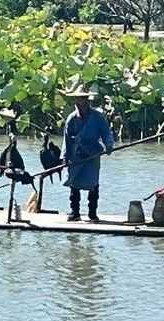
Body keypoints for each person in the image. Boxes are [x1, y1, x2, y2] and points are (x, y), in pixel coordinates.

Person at [60, 83, 115, 222]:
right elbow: (66, 139)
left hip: (92, 154)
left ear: (88, 100)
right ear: (75, 101)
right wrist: (65, 157)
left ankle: (92, 213)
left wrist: (109, 145)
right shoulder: (71, 118)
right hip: (76, 155)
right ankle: (75, 212)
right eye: (79, 99)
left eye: (84, 99)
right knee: (74, 183)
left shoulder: (98, 117)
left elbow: (106, 132)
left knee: (93, 183)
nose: (81, 102)